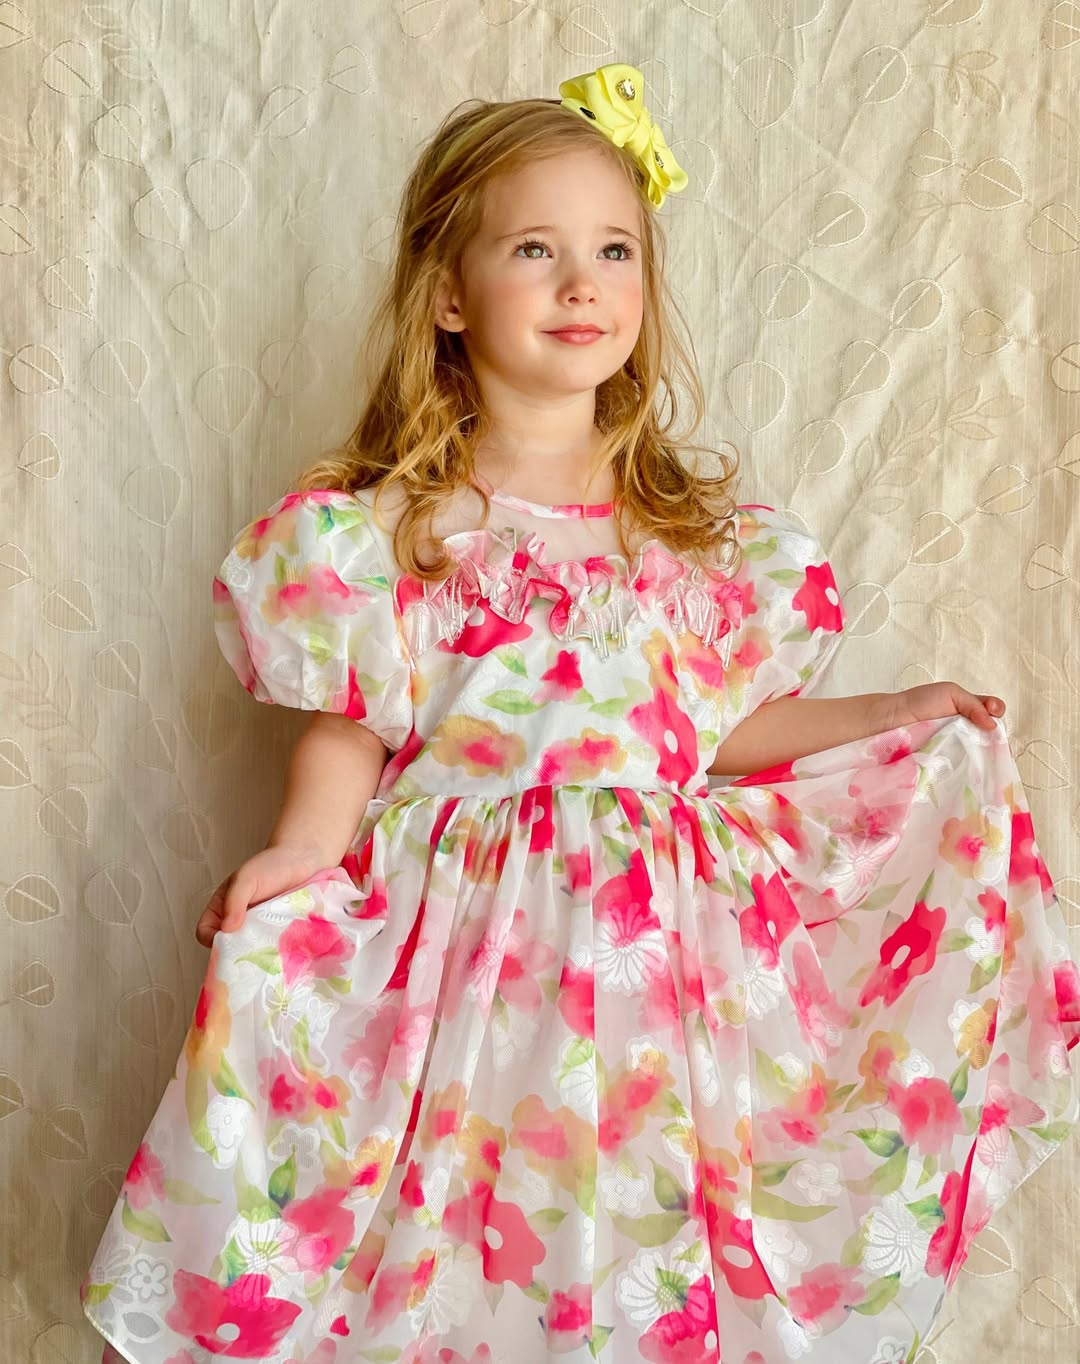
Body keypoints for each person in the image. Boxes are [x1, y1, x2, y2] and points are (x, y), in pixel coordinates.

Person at [81, 62, 1079, 1364]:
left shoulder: (697, 541)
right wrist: (301, 854)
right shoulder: (387, 531)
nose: (581, 284)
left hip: (659, 971)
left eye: (614, 250)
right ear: (448, 294)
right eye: (534, 250)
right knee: (464, 1235)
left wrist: (897, 712)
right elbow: (352, 721)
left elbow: (715, 738)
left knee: (636, 1237)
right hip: (465, 969)